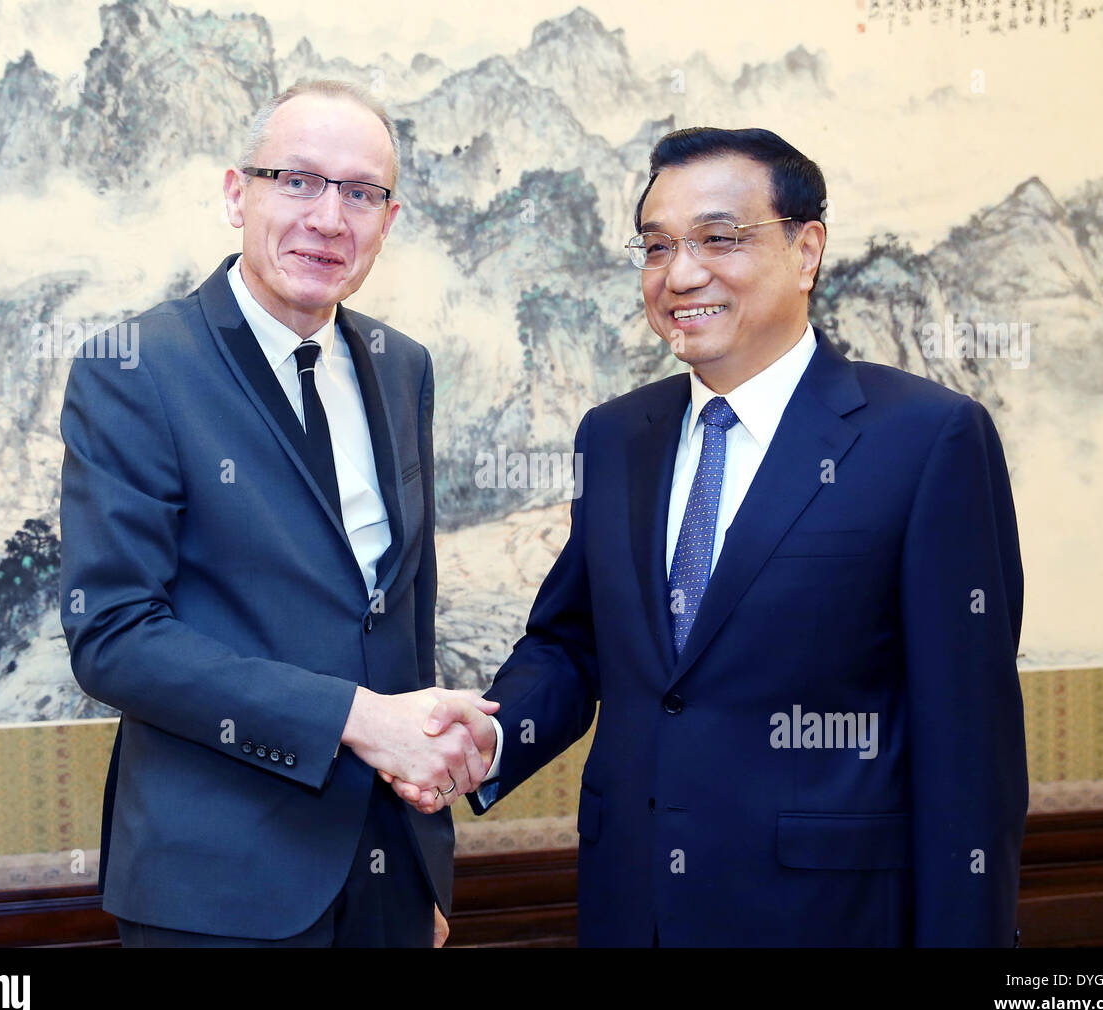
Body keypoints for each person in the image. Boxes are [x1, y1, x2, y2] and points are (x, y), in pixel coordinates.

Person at [391, 127, 1028, 947]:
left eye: (718, 238)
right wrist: (492, 731)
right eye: (657, 247)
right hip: (633, 911)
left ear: (807, 250)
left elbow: (968, 749)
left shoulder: (927, 438)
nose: (681, 273)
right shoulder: (617, 437)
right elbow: (573, 643)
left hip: (828, 921)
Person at [59, 80, 498, 948]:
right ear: (237, 193)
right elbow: (113, 635)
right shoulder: (138, 366)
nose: (329, 219)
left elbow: (402, 616)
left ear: (388, 217)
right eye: (297, 180)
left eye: (361, 193)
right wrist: (357, 719)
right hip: (218, 887)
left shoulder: (400, 365)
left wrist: (427, 864)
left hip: (389, 879)